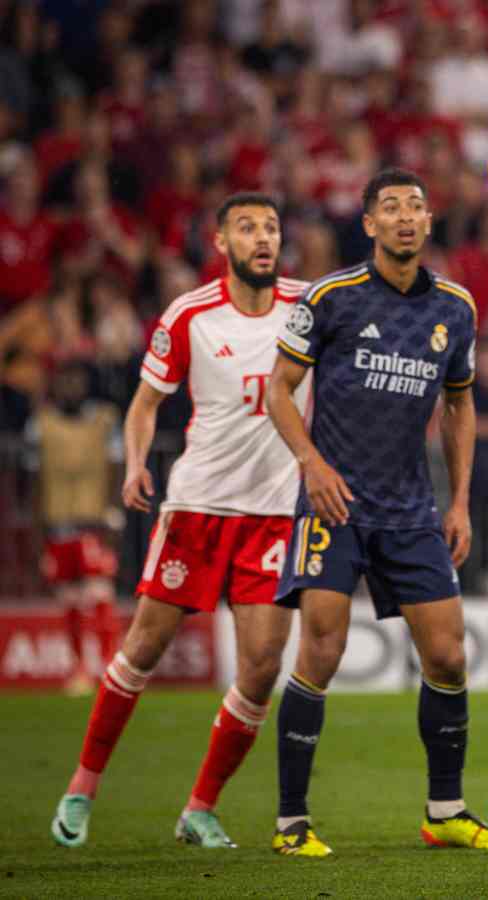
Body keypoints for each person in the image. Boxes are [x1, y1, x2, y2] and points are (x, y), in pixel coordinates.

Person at [51, 193, 309, 850]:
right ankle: (81, 788)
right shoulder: (189, 314)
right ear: (220, 242)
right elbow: (144, 405)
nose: (262, 238)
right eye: (247, 227)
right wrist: (135, 464)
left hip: (276, 516)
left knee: (259, 667)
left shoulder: (311, 308)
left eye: (271, 228)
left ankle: (200, 807)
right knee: (143, 647)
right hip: (198, 507)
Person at [267, 168, 488, 857]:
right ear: (369, 224)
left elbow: (460, 404)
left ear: (428, 222)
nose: (406, 217)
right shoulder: (330, 298)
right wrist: (312, 465)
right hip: (334, 503)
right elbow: (278, 391)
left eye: (417, 206)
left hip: (410, 510)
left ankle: (444, 811)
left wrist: (457, 499)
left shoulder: (454, 308)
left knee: (450, 655)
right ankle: (291, 821)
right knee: (322, 650)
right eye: (392, 208)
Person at [33, 359, 120, 695]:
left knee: (99, 593)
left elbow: (116, 466)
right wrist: (39, 532)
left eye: (76, 380)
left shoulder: (104, 419)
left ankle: (109, 666)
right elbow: (35, 478)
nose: (71, 387)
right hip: (58, 523)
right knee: (69, 599)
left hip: (94, 520)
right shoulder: (41, 424)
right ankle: (78, 668)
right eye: (64, 380)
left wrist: (114, 514)